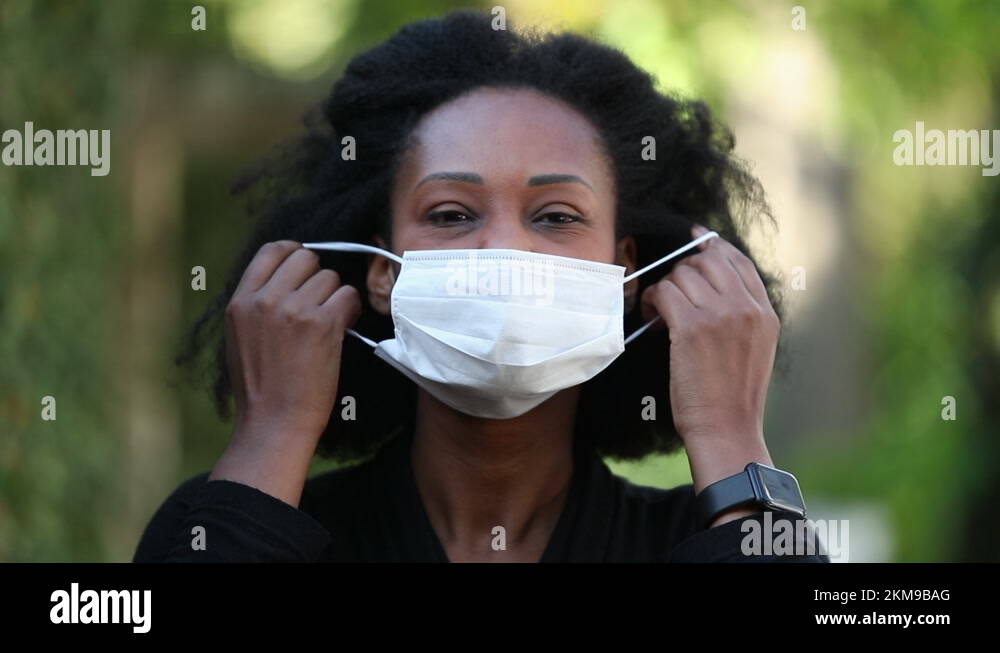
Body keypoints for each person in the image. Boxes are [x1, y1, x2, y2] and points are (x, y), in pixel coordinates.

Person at [133, 10, 829, 563]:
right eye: (451, 214)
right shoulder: (239, 521)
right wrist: (273, 432)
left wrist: (732, 439)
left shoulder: (699, 539)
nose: (503, 246)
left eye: (555, 216)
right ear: (382, 271)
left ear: (624, 274)